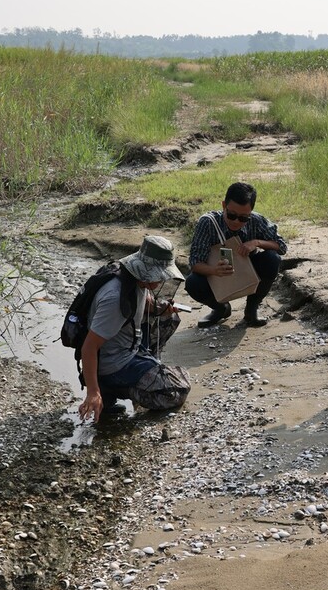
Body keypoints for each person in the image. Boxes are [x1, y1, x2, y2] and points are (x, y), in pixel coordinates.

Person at [77, 236, 189, 423]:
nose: (162, 280)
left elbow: (142, 302)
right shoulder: (114, 298)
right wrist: (92, 393)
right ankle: (110, 388)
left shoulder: (133, 278)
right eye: (158, 275)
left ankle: (144, 370)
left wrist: (159, 308)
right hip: (112, 363)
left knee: (169, 317)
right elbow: (89, 347)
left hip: (128, 345)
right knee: (177, 390)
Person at [185, 181, 288, 328]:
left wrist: (257, 242)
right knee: (193, 283)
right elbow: (195, 263)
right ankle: (221, 309)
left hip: (247, 271)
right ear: (223, 206)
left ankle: (251, 310)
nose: (236, 221)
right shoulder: (208, 222)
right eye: (232, 215)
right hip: (216, 276)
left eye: (243, 218)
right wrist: (214, 270)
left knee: (272, 259)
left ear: (250, 213)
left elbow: (282, 246)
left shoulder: (257, 221)